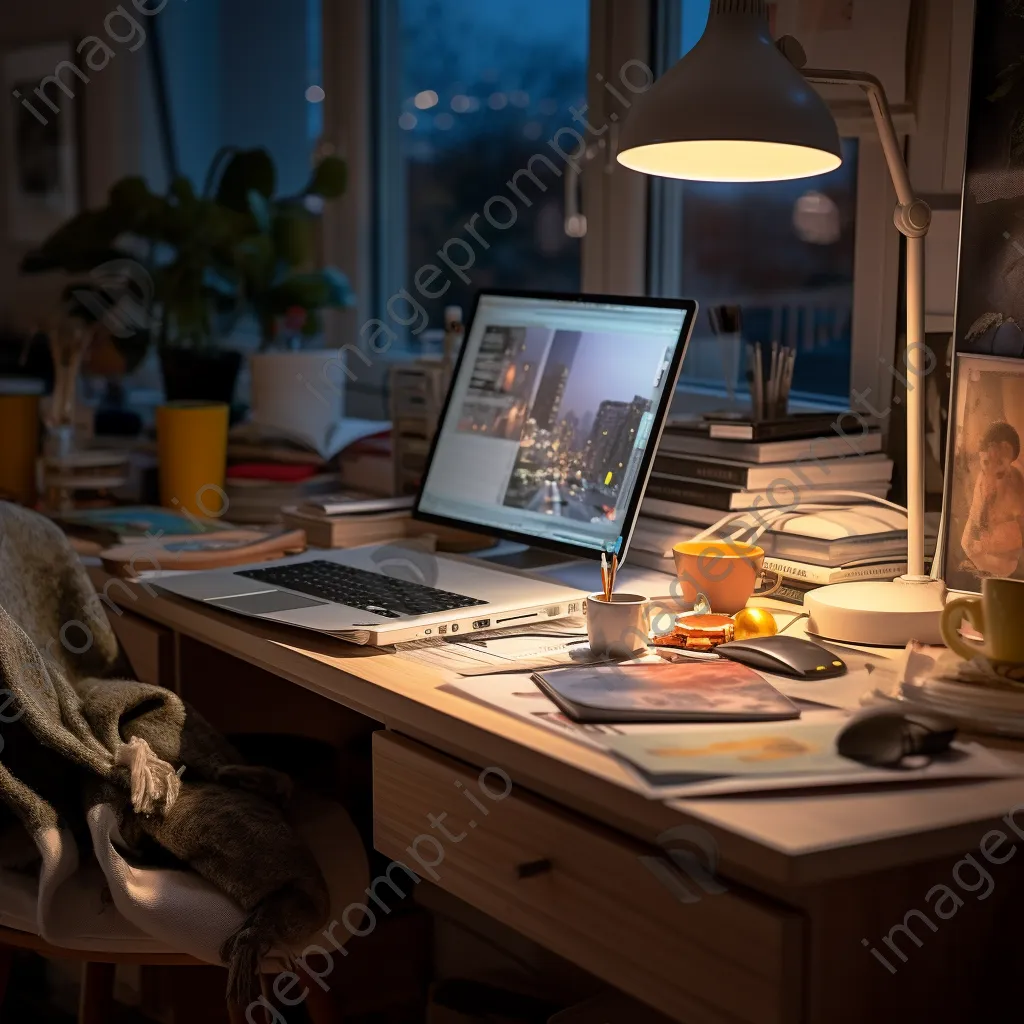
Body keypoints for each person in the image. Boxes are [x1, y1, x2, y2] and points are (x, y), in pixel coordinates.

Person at [961, 421, 1024, 577]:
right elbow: (970, 530)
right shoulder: (981, 480)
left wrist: (981, 546)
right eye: (986, 462)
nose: (990, 474)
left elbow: (1017, 540)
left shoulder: (1015, 486)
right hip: (981, 558)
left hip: (1006, 566)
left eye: (1000, 464)